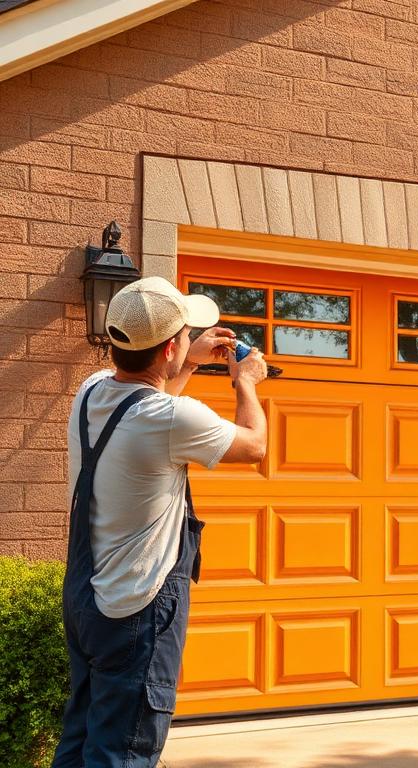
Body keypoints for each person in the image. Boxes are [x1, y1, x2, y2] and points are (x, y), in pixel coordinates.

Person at [52, 276, 269, 767]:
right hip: (137, 606)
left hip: (86, 599)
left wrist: (186, 361)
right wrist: (246, 382)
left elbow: (153, 406)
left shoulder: (90, 392)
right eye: (186, 335)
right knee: (123, 752)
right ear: (170, 346)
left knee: (82, 735)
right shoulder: (173, 417)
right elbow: (254, 445)